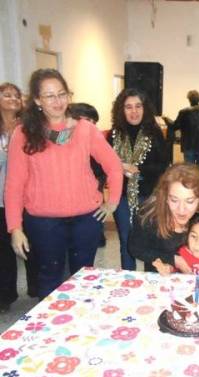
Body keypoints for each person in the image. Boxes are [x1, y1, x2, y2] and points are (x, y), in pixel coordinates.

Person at [5, 68, 123, 299]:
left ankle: (82, 328)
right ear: (37, 100)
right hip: (43, 223)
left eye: (62, 94)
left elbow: (114, 166)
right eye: (49, 96)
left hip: (86, 220)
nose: (57, 101)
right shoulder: (24, 133)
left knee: (85, 279)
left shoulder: (85, 129)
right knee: (49, 279)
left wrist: (113, 202)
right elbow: (14, 184)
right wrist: (15, 228)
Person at [108, 88, 169, 270]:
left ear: (145, 108)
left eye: (138, 106)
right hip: (122, 197)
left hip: (149, 197)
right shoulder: (113, 134)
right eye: (128, 107)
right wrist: (119, 167)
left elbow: (163, 165)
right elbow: (103, 163)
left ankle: (151, 283)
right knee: (126, 241)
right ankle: (129, 282)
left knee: (150, 242)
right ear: (121, 110)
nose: (134, 111)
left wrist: (136, 169)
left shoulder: (154, 133)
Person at [0, 82, 37, 312]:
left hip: (28, 198)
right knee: (4, 251)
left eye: (16, 95)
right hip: (1, 200)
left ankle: (37, 288)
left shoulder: (28, 127)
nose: (13, 98)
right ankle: (5, 296)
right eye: (7, 95)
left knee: (33, 246)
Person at [69, 103, 107, 247]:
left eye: (94, 122)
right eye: (87, 121)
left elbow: (105, 163)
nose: (91, 126)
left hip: (95, 183)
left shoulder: (95, 137)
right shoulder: (63, 138)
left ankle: (98, 237)